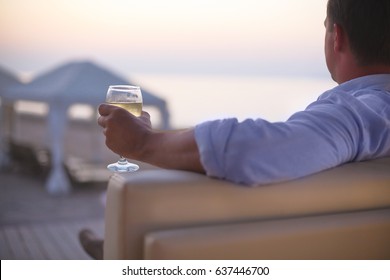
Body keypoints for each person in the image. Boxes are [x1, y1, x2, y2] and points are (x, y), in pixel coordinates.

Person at [79, 0, 390, 259]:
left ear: (336, 37)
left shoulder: (362, 113)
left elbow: (249, 150)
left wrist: (142, 142)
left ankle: (114, 251)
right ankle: (111, 248)